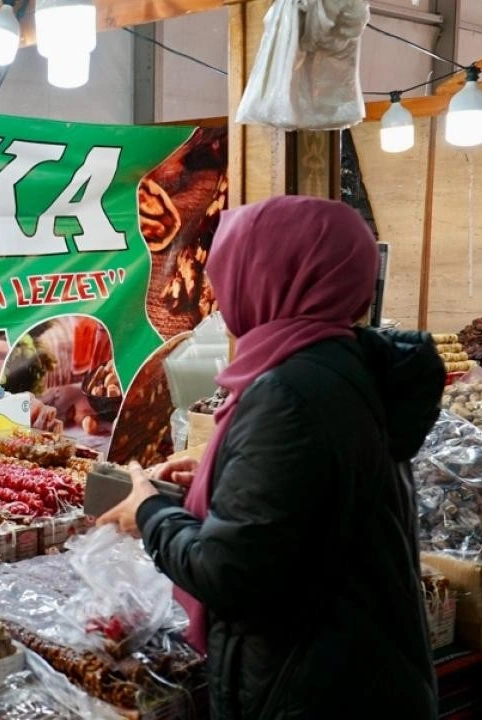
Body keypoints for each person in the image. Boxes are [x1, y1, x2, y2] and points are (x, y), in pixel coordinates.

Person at [98, 196, 441, 719]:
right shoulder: (341, 363)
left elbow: (230, 573)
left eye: (230, 272)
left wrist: (147, 510)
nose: (216, 294)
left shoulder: (292, 391)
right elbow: (313, 500)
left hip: (316, 690)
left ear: (271, 274)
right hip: (363, 669)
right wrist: (221, 481)